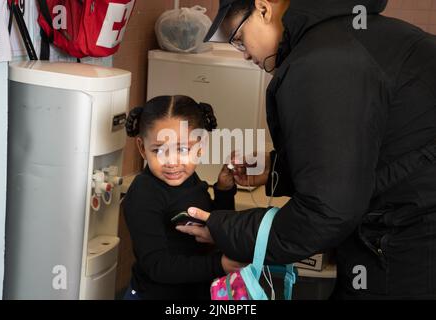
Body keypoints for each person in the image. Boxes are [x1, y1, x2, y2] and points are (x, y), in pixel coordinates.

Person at [177, 0, 436, 299]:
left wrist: (225, 230)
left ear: (263, 9)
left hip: (413, 240)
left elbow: (329, 212)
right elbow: (354, 155)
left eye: (238, 39)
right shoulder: (349, 35)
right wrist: (275, 169)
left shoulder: (322, 61)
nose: (245, 53)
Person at [123, 95, 243, 300]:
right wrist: (219, 265)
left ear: (201, 145)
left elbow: (214, 226)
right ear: (142, 148)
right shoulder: (144, 193)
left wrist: (223, 191)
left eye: (183, 149)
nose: (172, 161)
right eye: (159, 150)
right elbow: (157, 266)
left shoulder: (189, 179)